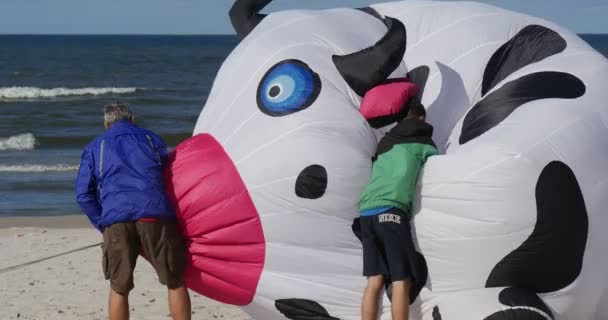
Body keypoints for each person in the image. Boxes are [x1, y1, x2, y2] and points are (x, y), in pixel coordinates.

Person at [75, 102, 191, 320]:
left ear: (106, 124)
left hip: (116, 220)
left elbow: (83, 194)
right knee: (175, 281)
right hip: (155, 215)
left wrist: (103, 222)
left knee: (119, 286)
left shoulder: (95, 147)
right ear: (133, 119)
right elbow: (169, 176)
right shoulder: (151, 139)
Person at [358, 94, 438, 320]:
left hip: (366, 211)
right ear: (421, 117)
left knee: (374, 280)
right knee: (401, 278)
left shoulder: (385, 141)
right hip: (390, 210)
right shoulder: (423, 141)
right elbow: (438, 168)